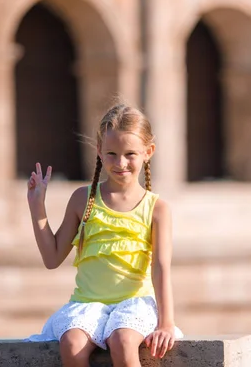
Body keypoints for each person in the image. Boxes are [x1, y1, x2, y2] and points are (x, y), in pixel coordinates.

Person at [26, 103, 182, 367]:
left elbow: (161, 268)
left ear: (148, 152)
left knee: (122, 340)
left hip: (135, 305)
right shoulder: (82, 199)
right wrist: (36, 206)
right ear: (99, 150)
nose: (120, 163)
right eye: (111, 153)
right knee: (72, 344)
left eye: (130, 154)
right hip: (88, 305)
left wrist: (166, 324)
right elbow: (52, 258)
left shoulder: (157, 209)